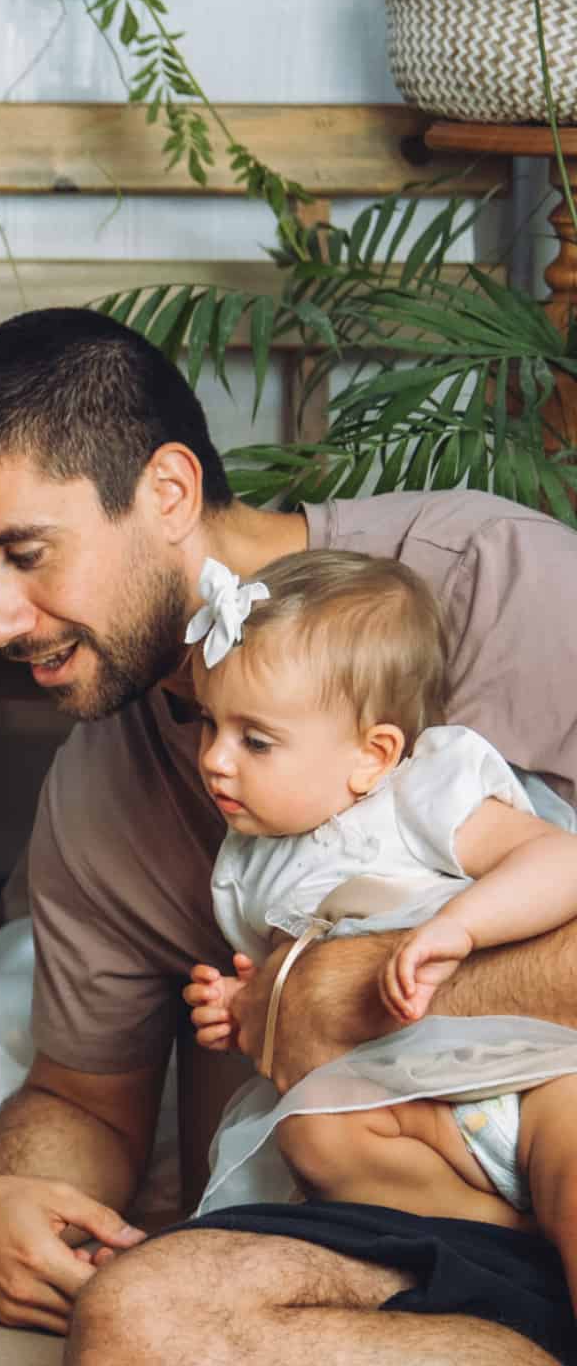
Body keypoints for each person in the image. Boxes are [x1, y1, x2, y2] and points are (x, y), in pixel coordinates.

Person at [0, 304, 577, 1366]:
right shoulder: (101, 792)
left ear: (166, 490)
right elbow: (86, 1098)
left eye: (24, 554)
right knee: (140, 1341)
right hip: (420, 1219)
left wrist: (344, 989)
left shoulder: (496, 589)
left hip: (561, 1125)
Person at [178, 549, 577, 1298]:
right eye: (209, 724)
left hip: (527, 1076)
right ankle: (507, 1239)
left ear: (374, 755)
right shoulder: (250, 863)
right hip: (413, 1122)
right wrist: (240, 1011)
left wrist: (461, 926)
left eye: (254, 740)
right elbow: (294, 1012)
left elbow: (560, 862)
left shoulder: (421, 793)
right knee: (311, 1131)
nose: (216, 761)